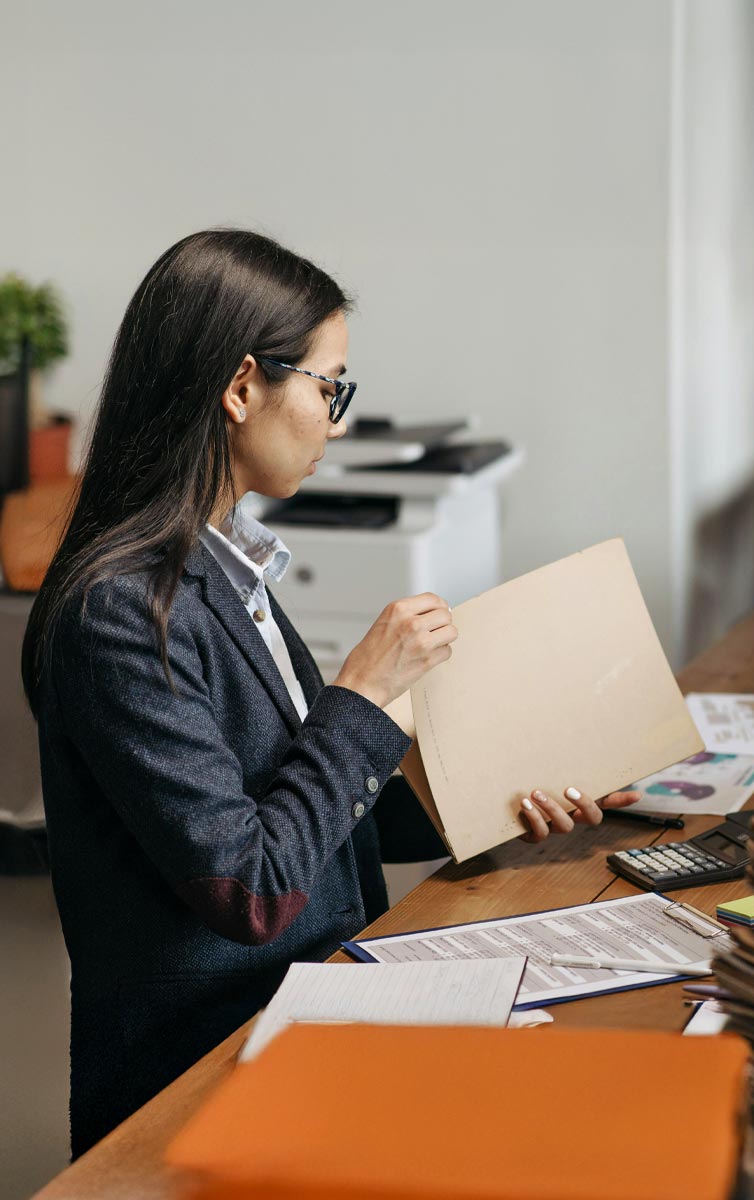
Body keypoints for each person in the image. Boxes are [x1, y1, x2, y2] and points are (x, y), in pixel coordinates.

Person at [21, 229, 639, 1158]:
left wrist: (498, 801)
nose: (337, 421)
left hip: (317, 1011)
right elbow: (252, 886)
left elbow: (300, 815)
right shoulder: (117, 614)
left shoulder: (223, 564)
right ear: (241, 388)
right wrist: (360, 694)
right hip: (202, 1071)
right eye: (328, 386)